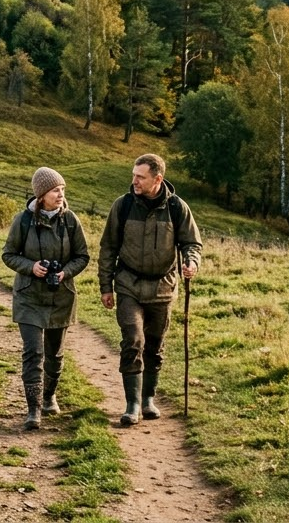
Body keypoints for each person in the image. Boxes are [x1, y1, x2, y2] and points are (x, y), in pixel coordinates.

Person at [98, 153, 202, 426]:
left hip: (163, 288)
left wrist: (191, 261)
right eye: (133, 175)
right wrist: (105, 286)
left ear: (157, 179)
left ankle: (148, 400)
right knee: (133, 340)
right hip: (129, 285)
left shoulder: (177, 208)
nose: (134, 181)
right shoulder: (122, 206)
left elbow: (192, 243)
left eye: (140, 177)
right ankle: (131, 405)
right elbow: (108, 248)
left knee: (154, 345)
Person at [2, 167, 90, 430]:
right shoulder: (23, 220)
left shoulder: (71, 220)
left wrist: (65, 272)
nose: (61, 194)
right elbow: (8, 254)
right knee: (33, 353)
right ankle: (33, 411)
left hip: (61, 296)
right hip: (29, 297)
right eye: (55, 190)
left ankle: (49, 397)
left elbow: (82, 256)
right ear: (41, 195)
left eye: (62, 189)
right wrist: (31, 267)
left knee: (55, 353)